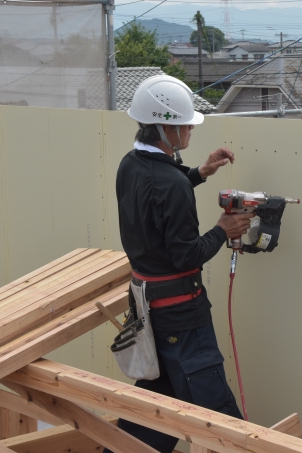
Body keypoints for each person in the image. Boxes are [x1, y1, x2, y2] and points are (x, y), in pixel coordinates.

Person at [106, 74, 254, 453]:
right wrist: (224, 229)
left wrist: (200, 173)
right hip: (182, 316)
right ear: (163, 128)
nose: (189, 128)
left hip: (148, 307)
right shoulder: (169, 185)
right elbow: (187, 255)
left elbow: (159, 198)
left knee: (159, 404)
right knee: (216, 411)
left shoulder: (131, 164)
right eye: (184, 123)